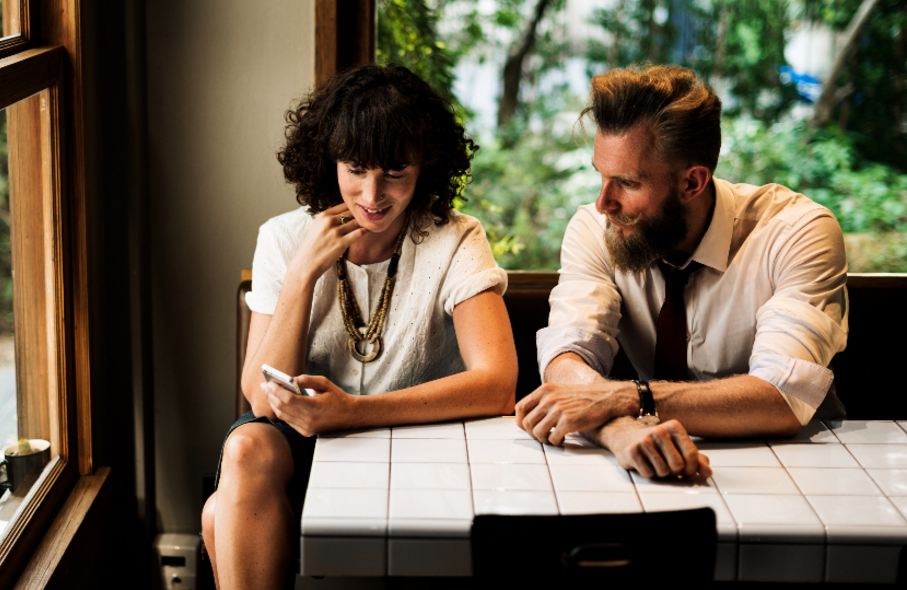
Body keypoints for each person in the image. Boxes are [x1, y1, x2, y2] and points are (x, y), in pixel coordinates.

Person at [201, 64, 517, 589]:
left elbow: (498, 383)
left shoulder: (456, 237)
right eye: (356, 169)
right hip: (304, 447)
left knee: (218, 515)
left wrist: (352, 412)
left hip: (421, 443)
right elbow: (262, 399)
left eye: (395, 172)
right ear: (331, 162)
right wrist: (302, 273)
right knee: (247, 446)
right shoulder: (283, 237)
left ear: (425, 166)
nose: (372, 195)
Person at [515, 65, 848, 481]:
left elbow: (782, 396)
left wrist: (630, 398)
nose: (604, 203)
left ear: (692, 183)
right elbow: (568, 357)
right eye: (601, 176)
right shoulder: (596, 228)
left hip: (802, 468)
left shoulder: (798, 231)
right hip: (651, 464)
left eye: (627, 183)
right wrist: (620, 432)